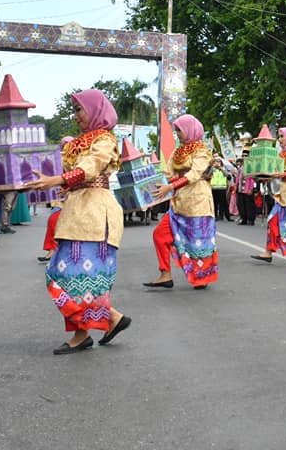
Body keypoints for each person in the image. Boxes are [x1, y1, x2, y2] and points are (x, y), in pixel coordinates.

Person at [24, 89, 131, 355]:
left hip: (96, 214)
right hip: (75, 212)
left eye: (79, 109)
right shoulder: (76, 143)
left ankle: (83, 334)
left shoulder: (104, 140)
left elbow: (92, 167)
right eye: (74, 110)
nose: (76, 115)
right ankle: (111, 318)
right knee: (61, 274)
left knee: (79, 277)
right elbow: (57, 168)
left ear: (95, 110)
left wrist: (58, 180)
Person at [145, 114, 218, 289]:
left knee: (197, 243)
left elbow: (194, 174)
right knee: (159, 235)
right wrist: (150, 180)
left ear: (190, 130)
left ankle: (202, 277)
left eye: (180, 130)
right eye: (176, 130)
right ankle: (165, 274)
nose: (178, 133)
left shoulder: (202, 151)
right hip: (178, 204)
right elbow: (169, 174)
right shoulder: (178, 152)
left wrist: (170, 186)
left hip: (198, 204)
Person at [251, 127, 286, 264]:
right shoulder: (280, 155)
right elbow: (273, 171)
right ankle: (268, 252)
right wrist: (262, 176)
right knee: (272, 220)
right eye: (279, 136)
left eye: (282, 136)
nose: (280, 139)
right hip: (282, 194)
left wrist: (280, 174)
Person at [209, 156, 231, 222]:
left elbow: (228, 176)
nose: (217, 163)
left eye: (219, 162)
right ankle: (215, 216)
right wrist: (212, 168)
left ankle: (226, 216)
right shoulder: (212, 169)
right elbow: (208, 175)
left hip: (222, 188)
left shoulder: (223, 169)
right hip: (214, 188)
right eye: (216, 162)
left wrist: (221, 169)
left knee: (223, 203)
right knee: (215, 203)